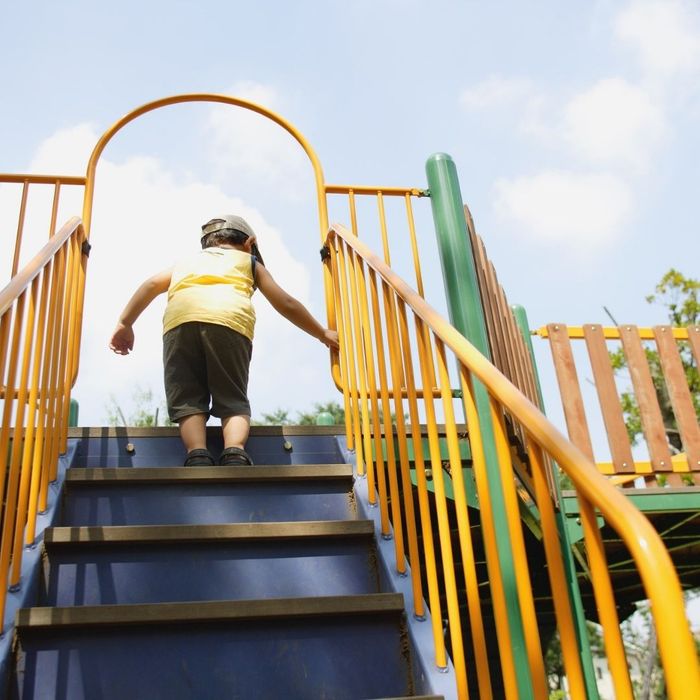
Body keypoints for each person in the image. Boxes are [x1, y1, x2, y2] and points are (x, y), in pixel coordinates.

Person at [109, 215, 339, 467]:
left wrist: (125, 323)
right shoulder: (249, 262)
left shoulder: (185, 263)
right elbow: (285, 303)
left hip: (180, 323)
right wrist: (322, 333)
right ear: (249, 243)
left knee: (188, 398)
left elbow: (151, 284)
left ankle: (197, 453)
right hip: (228, 323)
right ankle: (234, 451)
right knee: (232, 397)